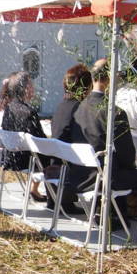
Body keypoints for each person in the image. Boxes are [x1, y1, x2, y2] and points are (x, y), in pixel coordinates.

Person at [74, 59, 137, 243]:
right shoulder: (113, 112)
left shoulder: (80, 107)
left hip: (81, 174)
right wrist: (134, 166)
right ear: (110, 78)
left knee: (116, 166)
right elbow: (127, 154)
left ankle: (117, 218)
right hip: (103, 177)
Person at [49, 64, 96, 214]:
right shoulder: (80, 109)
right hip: (70, 173)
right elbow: (84, 142)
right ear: (87, 87)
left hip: (54, 169)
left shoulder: (61, 106)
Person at [0, 71, 48, 202]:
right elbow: (40, 140)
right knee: (59, 157)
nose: (34, 88)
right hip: (26, 160)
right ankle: (58, 198)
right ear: (25, 89)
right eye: (31, 85)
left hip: (11, 157)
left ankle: (34, 190)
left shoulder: (8, 108)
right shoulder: (29, 112)